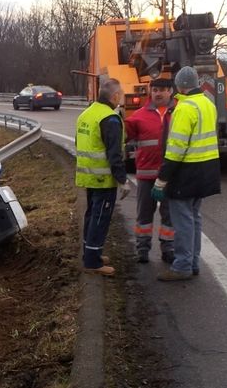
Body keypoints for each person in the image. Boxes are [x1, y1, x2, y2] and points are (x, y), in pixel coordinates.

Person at [151, 66, 221, 281]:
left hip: (186, 172)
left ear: (179, 86)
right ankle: (193, 262)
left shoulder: (184, 108)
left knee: (183, 222)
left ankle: (182, 266)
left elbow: (176, 149)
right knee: (195, 218)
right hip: (207, 169)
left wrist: (162, 179)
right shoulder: (208, 104)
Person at [75, 78, 131, 277]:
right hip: (103, 178)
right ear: (115, 96)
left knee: (92, 214)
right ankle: (92, 261)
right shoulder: (110, 119)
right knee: (100, 218)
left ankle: (90, 253)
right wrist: (123, 180)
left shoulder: (87, 114)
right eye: (121, 94)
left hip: (87, 175)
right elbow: (114, 154)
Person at [125, 78, 176, 264]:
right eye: (154, 90)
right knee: (144, 214)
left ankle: (168, 248)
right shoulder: (139, 115)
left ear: (170, 91)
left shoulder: (179, 113)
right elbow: (121, 134)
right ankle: (142, 248)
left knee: (169, 215)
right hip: (146, 175)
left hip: (170, 175)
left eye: (162, 90)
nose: (158, 93)